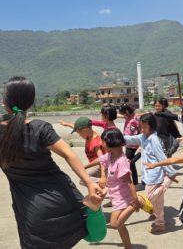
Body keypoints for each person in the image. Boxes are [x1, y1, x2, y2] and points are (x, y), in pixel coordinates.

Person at [0, 77, 106, 249]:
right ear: (31, 102)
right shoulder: (40, 128)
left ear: (5, 102)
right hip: (62, 196)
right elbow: (68, 154)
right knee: (94, 233)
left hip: (31, 209)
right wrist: (88, 182)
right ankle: (94, 209)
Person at [98, 128, 153, 249]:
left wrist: (134, 199)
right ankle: (128, 247)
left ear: (111, 142)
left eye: (103, 142)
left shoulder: (121, 161)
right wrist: (103, 176)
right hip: (115, 196)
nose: (102, 144)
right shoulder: (110, 155)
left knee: (114, 225)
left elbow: (129, 182)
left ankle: (138, 201)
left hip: (123, 197)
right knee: (120, 225)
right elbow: (101, 162)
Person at [123, 113, 177, 233]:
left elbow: (162, 157)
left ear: (152, 126)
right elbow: (132, 139)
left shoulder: (154, 140)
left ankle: (166, 184)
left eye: (144, 127)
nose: (142, 129)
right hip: (148, 175)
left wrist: (171, 172)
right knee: (158, 201)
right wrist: (118, 138)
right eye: (141, 127)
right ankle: (159, 220)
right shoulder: (144, 136)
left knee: (148, 199)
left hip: (155, 175)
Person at [58, 116, 105, 183]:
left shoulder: (95, 142)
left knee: (84, 180)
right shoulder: (89, 134)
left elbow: (101, 159)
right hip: (98, 166)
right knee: (86, 181)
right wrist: (67, 124)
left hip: (101, 166)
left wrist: (103, 177)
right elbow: (77, 127)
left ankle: (108, 183)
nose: (79, 135)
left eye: (78, 133)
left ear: (84, 131)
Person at [118, 103, 141, 187]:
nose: (123, 115)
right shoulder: (127, 116)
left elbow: (141, 130)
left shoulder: (137, 118)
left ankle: (132, 183)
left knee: (129, 162)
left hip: (134, 145)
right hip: (128, 144)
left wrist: (141, 144)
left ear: (127, 111)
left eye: (124, 113)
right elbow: (118, 115)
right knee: (131, 163)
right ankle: (135, 183)